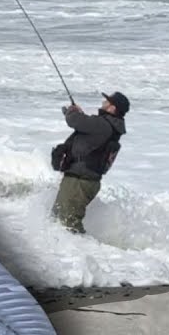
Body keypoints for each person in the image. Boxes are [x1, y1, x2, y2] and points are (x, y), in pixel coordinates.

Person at [50, 91, 128, 234]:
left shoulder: (104, 125)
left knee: (67, 224)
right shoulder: (108, 126)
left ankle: (82, 251)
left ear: (113, 108)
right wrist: (78, 114)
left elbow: (74, 121)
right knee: (60, 220)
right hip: (82, 180)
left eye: (107, 101)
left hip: (79, 182)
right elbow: (85, 125)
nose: (104, 102)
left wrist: (73, 111)